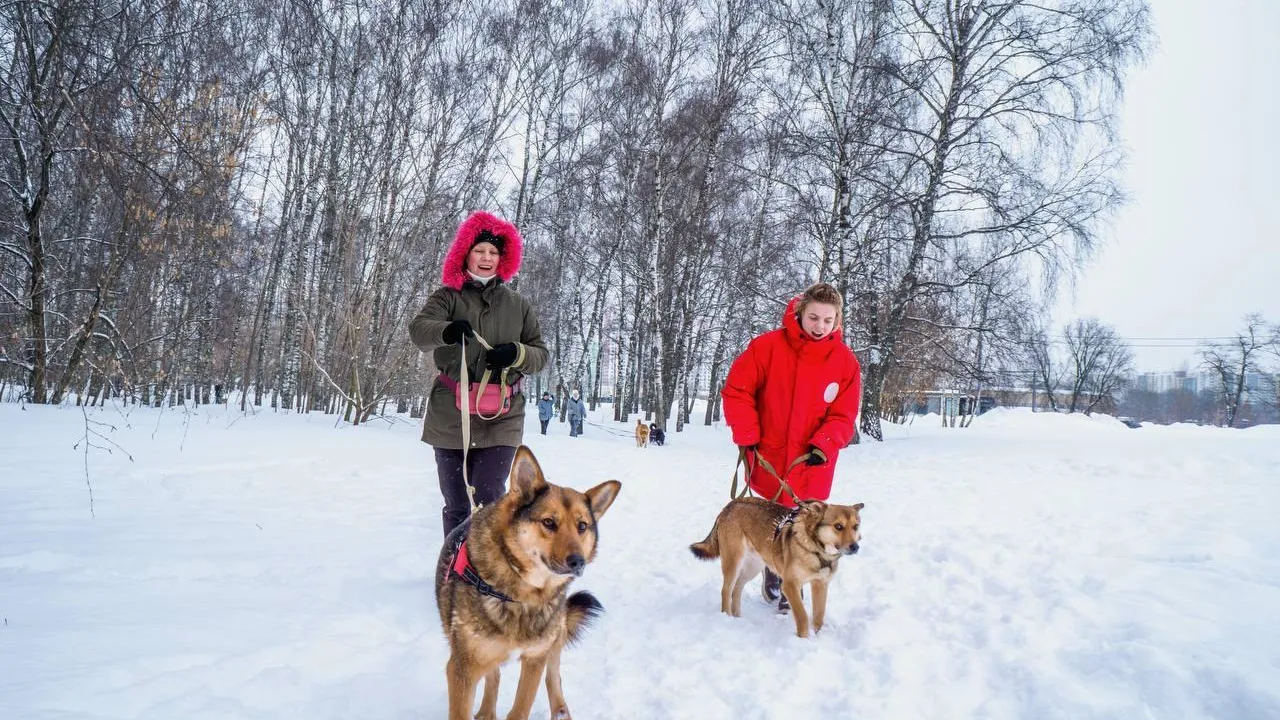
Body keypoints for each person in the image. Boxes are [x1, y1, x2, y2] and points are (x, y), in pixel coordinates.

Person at [720, 282, 861, 611]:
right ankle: (774, 568)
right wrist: (747, 433)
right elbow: (737, 391)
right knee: (770, 519)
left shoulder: (845, 362)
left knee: (807, 523)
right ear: (799, 313)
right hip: (769, 454)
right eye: (813, 317)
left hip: (812, 461)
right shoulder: (766, 347)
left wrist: (824, 444)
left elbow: (844, 413)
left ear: (837, 321)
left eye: (828, 321)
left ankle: (793, 583)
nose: (820, 326)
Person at [408, 210, 549, 538]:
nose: (486, 258)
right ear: (465, 253)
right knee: (456, 502)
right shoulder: (447, 297)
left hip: (502, 414)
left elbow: (540, 355)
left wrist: (517, 353)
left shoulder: (519, 305)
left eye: (493, 252)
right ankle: (455, 569)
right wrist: (446, 331)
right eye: (479, 250)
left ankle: (487, 570)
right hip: (450, 416)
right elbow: (419, 331)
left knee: (489, 495)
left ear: (503, 258)